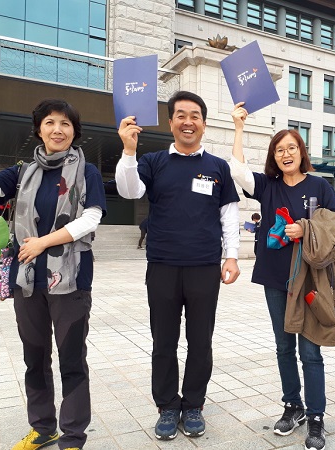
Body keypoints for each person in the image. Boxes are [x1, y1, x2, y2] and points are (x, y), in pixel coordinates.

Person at [0, 98, 107, 450]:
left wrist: (43, 242)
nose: (57, 129)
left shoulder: (85, 170)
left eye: (65, 124)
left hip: (71, 280)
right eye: (50, 123)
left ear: (75, 131)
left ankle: (73, 436)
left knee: (72, 358)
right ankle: (43, 428)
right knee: (35, 357)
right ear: (39, 129)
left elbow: (91, 218)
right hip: (27, 281)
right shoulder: (23, 171)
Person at [115, 91, 241, 441]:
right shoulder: (153, 161)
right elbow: (128, 191)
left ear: (203, 123)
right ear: (171, 122)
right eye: (181, 115)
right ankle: (168, 406)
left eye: (195, 115)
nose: (188, 121)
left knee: (201, 341)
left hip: (204, 266)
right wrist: (128, 151)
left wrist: (231, 255)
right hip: (163, 266)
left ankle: (195, 406)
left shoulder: (218, 167)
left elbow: (228, 215)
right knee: (164, 341)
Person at [230, 102, 335, 450]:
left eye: (291, 148)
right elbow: (237, 170)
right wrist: (238, 128)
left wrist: (305, 228)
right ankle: (292, 405)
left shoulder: (320, 186)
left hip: (309, 280)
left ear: (301, 152)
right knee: (284, 347)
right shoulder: (267, 185)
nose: (285, 154)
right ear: (274, 157)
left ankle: (316, 416)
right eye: (279, 150)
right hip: (274, 276)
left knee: (310, 350)